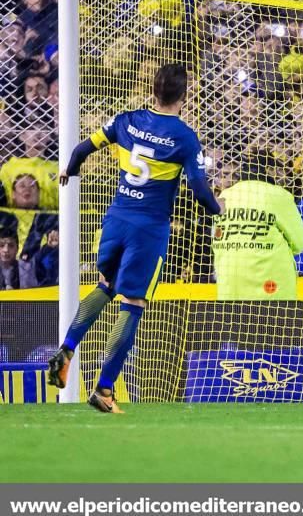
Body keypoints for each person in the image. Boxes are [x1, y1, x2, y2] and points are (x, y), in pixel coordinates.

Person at [47, 63, 223, 413]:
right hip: (149, 229)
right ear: (184, 97)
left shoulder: (126, 120)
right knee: (133, 304)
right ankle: (104, 389)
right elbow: (199, 189)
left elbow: (83, 149)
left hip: (115, 221)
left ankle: (67, 347)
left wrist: (70, 169)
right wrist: (219, 211)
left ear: (153, 90)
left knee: (104, 286)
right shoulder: (185, 137)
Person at [213, 161, 303, 300]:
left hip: (230, 286)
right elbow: (300, 243)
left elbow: (217, 241)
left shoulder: (224, 196)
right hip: (270, 287)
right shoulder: (279, 195)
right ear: (269, 170)